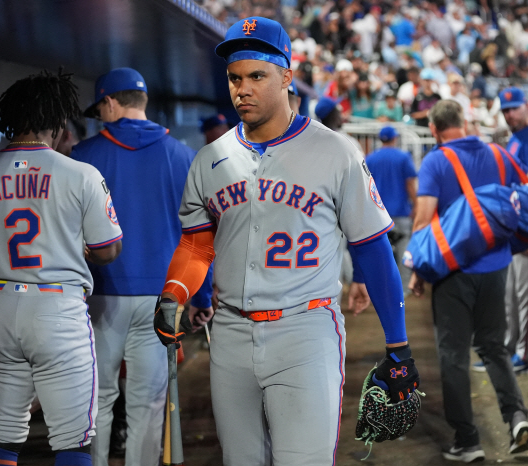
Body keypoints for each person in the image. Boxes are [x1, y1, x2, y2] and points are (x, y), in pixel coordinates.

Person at [153, 17, 420, 465]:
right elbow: (197, 245)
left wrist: (398, 345)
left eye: (257, 76)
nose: (243, 89)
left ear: (286, 77)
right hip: (231, 332)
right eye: (235, 78)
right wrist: (174, 292)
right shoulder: (209, 159)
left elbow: (372, 247)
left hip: (305, 329)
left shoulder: (334, 151)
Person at [0, 69, 123, 466]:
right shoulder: (80, 174)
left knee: (1, 440)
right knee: (72, 442)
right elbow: (108, 250)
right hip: (58, 309)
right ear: (56, 120)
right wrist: (74, 246)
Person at [71, 67, 214, 466]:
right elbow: (199, 238)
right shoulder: (185, 156)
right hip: (164, 297)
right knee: (148, 403)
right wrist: (201, 296)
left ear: (110, 102)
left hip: (100, 295)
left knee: (96, 400)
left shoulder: (82, 156)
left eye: (100, 109)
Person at [410, 100, 528, 463]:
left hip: (453, 272)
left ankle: (468, 441)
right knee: (494, 347)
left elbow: (423, 220)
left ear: (434, 129)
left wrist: (417, 270)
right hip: (496, 267)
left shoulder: (435, 161)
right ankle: (517, 418)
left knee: (453, 357)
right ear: (463, 123)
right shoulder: (499, 154)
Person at [483, 87, 528, 372]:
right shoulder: (516, 139)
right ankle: (509, 349)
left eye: (514, 108)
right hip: (515, 225)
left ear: (526, 107)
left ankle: (525, 356)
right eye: (505, 110)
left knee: (526, 294)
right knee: (511, 293)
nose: (510, 114)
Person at [365, 126, 417, 293]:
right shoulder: (403, 157)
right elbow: (410, 184)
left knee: (379, 253)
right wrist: (416, 205)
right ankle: (404, 289)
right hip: (400, 212)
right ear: (395, 138)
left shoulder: (371, 158)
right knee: (404, 251)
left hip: (378, 214)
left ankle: (379, 288)